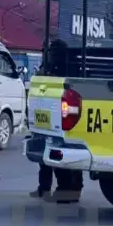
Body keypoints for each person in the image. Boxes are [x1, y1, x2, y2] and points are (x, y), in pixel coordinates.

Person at [29, 38, 84, 204]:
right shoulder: (63, 67)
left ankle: (67, 190)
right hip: (50, 116)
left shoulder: (62, 70)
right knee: (49, 153)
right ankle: (48, 188)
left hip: (59, 116)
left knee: (60, 153)